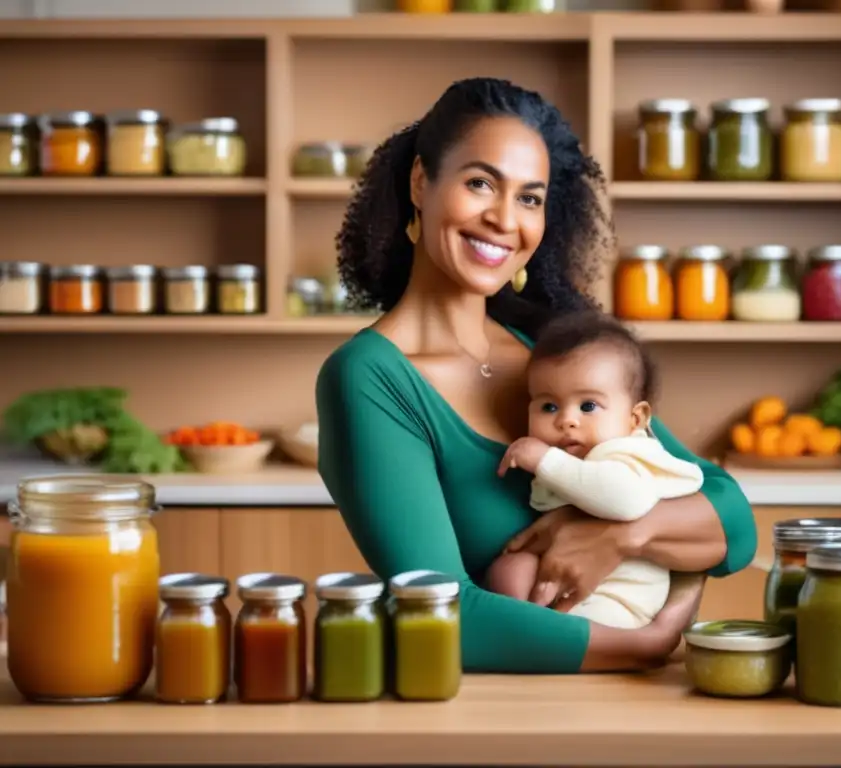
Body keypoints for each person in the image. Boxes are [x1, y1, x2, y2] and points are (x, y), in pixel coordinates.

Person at [316, 77, 756, 674]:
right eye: (480, 184)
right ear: (422, 182)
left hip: (630, 714)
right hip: (491, 718)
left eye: (529, 198)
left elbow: (730, 515)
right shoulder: (369, 379)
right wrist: (644, 643)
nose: (503, 219)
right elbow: (440, 614)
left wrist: (621, 536)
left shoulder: (550, 353)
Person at [488, 311, 706, 630]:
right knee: (509, 569)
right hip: (572, 586)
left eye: (588, 406)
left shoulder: (625, 451)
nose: (567, 420)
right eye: (549, 406)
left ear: (636, 418)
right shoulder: (578, 458)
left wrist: (545, 460)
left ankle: (538, 631)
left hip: (620, 602)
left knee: (553, 617)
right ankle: (530, 625)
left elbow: (626, 501)